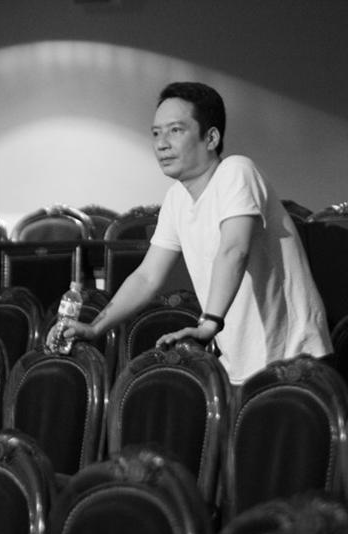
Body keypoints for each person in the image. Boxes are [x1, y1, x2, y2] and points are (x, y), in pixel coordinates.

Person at [55, 81, 332, 385]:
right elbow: (147, 277)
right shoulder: (177, 198)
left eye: (175, 130)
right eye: (156, 133)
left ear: (211, 138)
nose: (161, 144)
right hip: (240, 366)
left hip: (296, 360)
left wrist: (208, 324)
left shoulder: (236, 171)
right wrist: (95, 327)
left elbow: (234, 249)